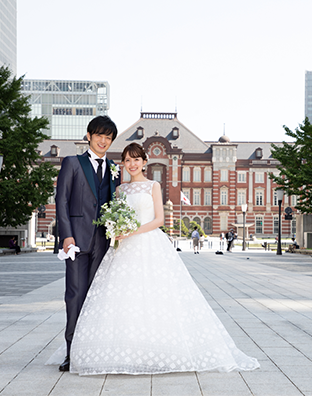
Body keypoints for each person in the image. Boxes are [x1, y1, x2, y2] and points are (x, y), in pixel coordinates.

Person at [64, 142, 259, 375]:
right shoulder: (119, 190)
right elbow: (109, 213)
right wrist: (115, 229)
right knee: (124, 297)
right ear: (123, 164)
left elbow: (160, 220)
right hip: (122, 248)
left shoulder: (153, 186)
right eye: (127, 160)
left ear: (144, 162)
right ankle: (127, 348)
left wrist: (131, 231)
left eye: (136, 159)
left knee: (156, 294)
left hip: (148, 243)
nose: (132, 164)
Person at [54, 116, 120, 372]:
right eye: (99, 135)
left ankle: (93, 349)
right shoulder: (72, 163)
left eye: (108, 137)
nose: (103, 141)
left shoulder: (114, 167)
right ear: (89, 136)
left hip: (104, 243)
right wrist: (66, 236)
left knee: (97, 298)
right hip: (77, 241)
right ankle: (72, 353)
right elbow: (62, 201)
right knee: (75, 295)